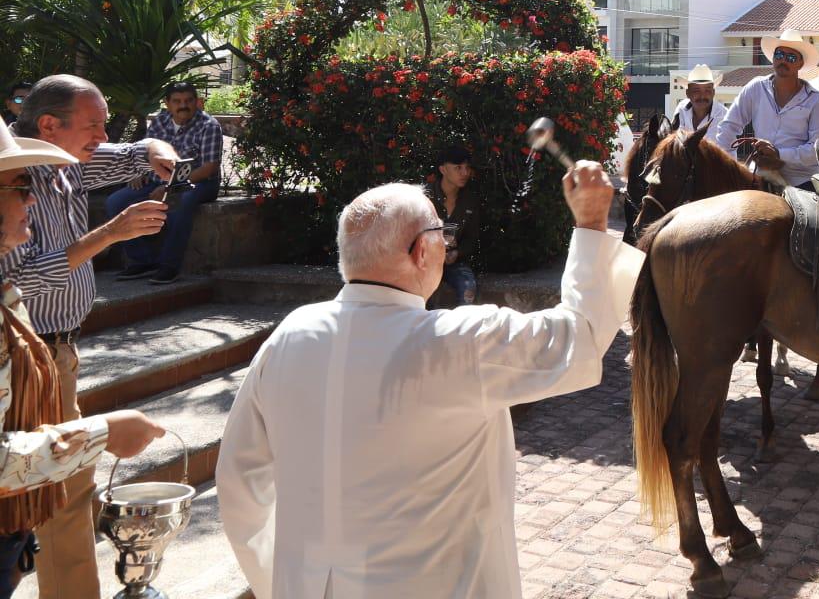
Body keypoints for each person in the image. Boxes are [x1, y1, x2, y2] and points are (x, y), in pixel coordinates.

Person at [216, 163, 641, 598]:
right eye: (443, 233)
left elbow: (238, 481)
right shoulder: (458, 342)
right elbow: (580, 340)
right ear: (421, 251)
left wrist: (282, 584)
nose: (448, 244)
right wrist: (590, 224)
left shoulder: (290, 334)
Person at [2, 75, 176, 598]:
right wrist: (110, 234)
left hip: (57, 351)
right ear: (50, 125)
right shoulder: (16, 172)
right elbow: (23, 279)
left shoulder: (63, 158)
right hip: (30, 355)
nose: (104, 133)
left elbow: (132, 153)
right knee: (52, 488)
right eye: (94, 124)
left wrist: (156, 151)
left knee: (66, 492)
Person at [105, 81, 224, 285]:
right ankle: (142, 261)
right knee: (115, 202)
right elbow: (145, 153)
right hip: (158, 179)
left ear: (197, 102)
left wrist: (170, 188)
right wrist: (137, 172)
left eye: (188, 100)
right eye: (177, 101)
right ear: (167, 104)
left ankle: (170, 267)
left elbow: (208, 168)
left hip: (198, 182)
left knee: (180, 202)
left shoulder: (209, 125)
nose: (183, 105)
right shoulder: (161, 121)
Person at [715, 28, 819, 189]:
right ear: (773, 58)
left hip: (802, 180)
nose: (783, 60)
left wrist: (779, 154)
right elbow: (728, 126)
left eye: (790, 57)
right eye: (779, 55)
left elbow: (818, 149)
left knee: (815, 214)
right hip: (760, 174)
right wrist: (726, 165)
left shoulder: (815, 100)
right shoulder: (755, 87)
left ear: (800, 64)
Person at [425, 145, 480, 308]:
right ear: (443, 169)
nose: (465, 173)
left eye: (467, 168)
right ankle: (427, 332)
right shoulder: (425, 198)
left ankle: (463, 331)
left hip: (454, 262)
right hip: (426, 262)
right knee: (426, 293)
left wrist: (457, 253)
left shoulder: (470, 200)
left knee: (468, 288)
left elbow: (472, 239)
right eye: (458, 168)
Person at [674, 64, 727, 132]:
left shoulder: (724, 115)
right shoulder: (682, 109)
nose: (702, 96)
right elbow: (675, 136)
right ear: (687, 93)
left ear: (713, 92)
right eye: (696, 91)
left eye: (707, 90)